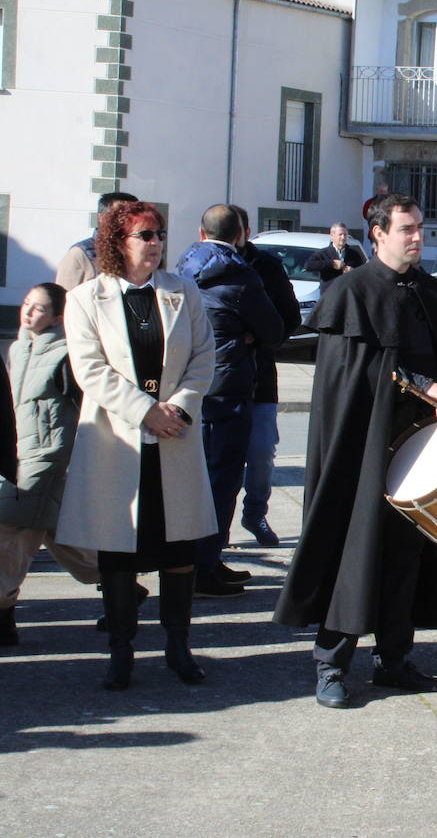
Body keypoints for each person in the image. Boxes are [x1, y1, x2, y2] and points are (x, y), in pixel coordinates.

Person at [274, 194, 437, 709]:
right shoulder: (351, 294)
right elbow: (351, 379)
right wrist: (424, 385)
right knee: (354, 553)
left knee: (407, 558)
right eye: (406, 229)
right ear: (376, 234)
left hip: (422, 453)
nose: (417, 236)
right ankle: (331, 664)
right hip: (363, 450)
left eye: (420, 227)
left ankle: (394, 660)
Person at [56, 201, 218, 690]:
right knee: (119, 552)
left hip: (175, 438)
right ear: (117, 242)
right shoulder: (87, 298)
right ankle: (121, 650)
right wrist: (145, 410)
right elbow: (90, 368)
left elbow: (205, 355)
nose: (155, 244)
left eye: (160, 234)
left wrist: (180, 409)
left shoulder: (181, 291)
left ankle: (178, 647)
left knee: (179, 549)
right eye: (145, 234)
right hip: (118, 442)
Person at [175, 205, 285, 597]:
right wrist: (250, 336)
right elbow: (273, 329)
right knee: (223, 481)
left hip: (186, 389)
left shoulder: (180, 269)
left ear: (200, 234)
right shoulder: (241, 276)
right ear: (241, 234)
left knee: (190, 478)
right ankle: (206, 566)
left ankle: (187, 563)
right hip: (230, 388)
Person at [0, 283, 100, 646]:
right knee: (57, 533)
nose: (28, 313)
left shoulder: (67, 354)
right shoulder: (18, 346)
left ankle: (4, 616)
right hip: (16, 451)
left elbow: (85, 409)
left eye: (39, 308)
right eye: (27, 304)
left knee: (11, 535)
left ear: (58, 316)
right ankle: (119, 585)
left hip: (46, 456)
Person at [233, 205, 301, 548]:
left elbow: (290, 319)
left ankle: (255, 511)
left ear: (246, 231)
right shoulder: (196, 266)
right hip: (215, 382)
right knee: (218, 459)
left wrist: (261, 335)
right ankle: (214, 529)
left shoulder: (267, 267)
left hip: (260, 378)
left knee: (261, 453)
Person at [55, 191, 138, 290]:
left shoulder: (141, 252)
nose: (127, 221)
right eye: (120, 215)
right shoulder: (81, 254)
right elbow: (63, 300)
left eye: (134, 216)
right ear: (102, 218)